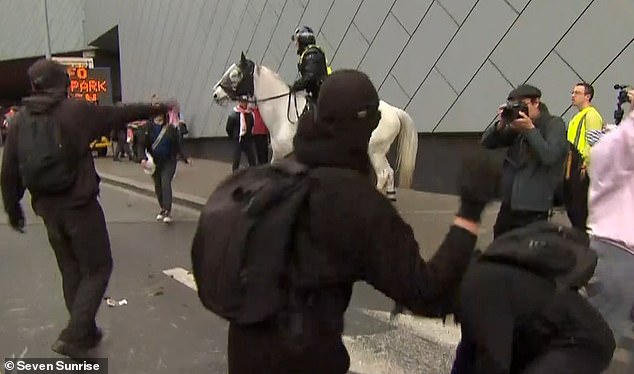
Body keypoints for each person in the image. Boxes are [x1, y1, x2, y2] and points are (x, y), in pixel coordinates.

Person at [204, 69, 501, 374]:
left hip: (244, 356)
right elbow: (425, 290)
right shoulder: (357, 202)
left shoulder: (278, 175)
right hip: (306, 361)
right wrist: (470, 211)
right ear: (366, 126)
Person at [0, 58, 175, 358]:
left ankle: (86, 330)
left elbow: (8, 171)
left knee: (71, 269)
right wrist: (156, 108)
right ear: (62, 83)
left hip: (47, 210)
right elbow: (118, 114)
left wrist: (13, 209)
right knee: (98, 267)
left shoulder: (18, 122)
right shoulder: (75, 111)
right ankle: (74, 333)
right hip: (80, 205)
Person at [451, 222, 615, 374]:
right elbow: (468, 355)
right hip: (544, 335)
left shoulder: (478, 289)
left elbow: (494, 362)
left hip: (582, 342)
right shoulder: (475, 283)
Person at [586, 88, 634, 370]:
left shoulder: (610, 143)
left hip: (612, 247)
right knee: (602, 332)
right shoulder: (618, 145)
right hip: (619, 250)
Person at [481, 84, 568, 239]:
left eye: (523, 105)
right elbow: (487, 143)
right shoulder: (516, 127)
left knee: (526, 254)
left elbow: (550, 156)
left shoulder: (554, 124)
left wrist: (530, 130)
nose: (519, 111)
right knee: (500, 248)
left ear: (536, 103)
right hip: (509, 203)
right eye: (515, 106)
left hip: (533, 206)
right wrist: (500, 125)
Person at [564, 82, 604, 231]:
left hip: (581, 169)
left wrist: (585, 164)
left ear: (587, 96)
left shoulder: (591, 115)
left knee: (579, 210)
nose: (573, 96)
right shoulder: (577, 117)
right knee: (573, 209)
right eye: (572, 92)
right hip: (572, 166)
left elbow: (594, 143)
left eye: (577, 93)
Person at [142, 111, 191, 224]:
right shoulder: (148, 129)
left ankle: (167, 211)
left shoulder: (170, 129)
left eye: (161, 115)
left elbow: (178, 145)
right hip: (154, 163)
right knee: (158, 186)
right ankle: (163, 208)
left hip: (169, 161)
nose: (159, 117)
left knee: (165, 183)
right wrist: (142, 158)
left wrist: (185, 157)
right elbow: (141, 144)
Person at [290, 26, 330, 109]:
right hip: (319, 93)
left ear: (302, 40)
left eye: (297, 41)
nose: (295, 44)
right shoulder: (310, 53)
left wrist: (295, 87)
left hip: (322, 95)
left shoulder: (311, 54)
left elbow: (310, 77)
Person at [226, 97, 256, 172]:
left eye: (246, 102)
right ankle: (234, 175)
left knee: (252, 159)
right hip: (238, 139)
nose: (244, 104)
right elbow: (229, 128)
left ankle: (254, 174)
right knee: (236, 159)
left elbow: (251, 124)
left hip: (247, 139)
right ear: (239, 102)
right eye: (242, 102)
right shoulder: (234, 114)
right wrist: (233, 136)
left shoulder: (249, 114)